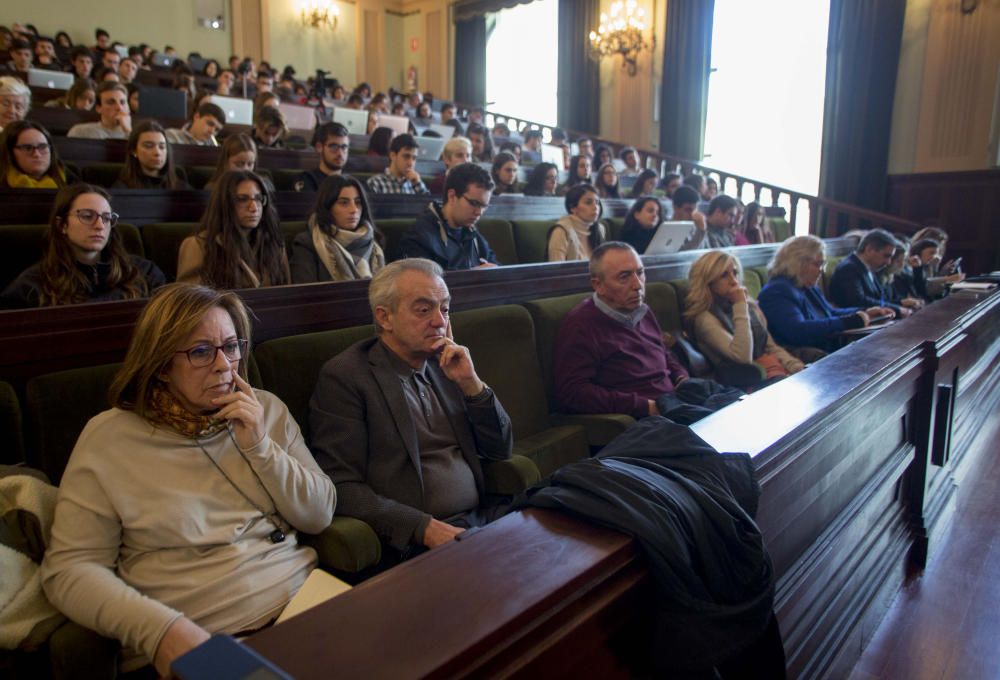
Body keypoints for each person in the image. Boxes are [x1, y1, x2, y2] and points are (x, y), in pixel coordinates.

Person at [40, 283, 335, 675]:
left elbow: (319, 515)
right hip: (206, 631)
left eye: (231, 346)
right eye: (200, 352)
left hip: (306, 602)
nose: (224, 365)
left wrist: (260, 447)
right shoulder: (108, 437)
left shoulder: (264, 408)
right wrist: (163, 631)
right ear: (162, 365)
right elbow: (70, 570)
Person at [309, 258, 512, 564]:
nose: (439, 321)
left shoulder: (447, 363)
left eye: (444, 308)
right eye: (424, 309)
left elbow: (500, 449)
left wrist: (472, 385)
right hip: (416, 542)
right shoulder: (347, 376)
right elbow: (341, 486)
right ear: (385, 317)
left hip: (483, 516)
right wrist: (422, 528)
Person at [554, 242, 742, 424]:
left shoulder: (642, 311)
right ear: (598, 285)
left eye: (640, 273)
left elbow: (663, 353)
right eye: (624, 277)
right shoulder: (581, 324)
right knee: (719, 425)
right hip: (647, 417)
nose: (637, 285)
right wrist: (644, 406)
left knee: (739, 403)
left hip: (675, 398)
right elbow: (573, 392)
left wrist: (680, 377)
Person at [1, 184, 165, 308]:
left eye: (106, 218)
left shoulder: (144, 272)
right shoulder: (30, 287)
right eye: (87, 216)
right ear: (62, 225)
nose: (100, 225)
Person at [757, 235, 891, 357]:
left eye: (823, 264)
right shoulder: (777, 291)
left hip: (823, 347)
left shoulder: (806, 285)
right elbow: (798, 331)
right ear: (798, 263)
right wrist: (849, 321)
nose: (821, 270)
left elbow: (830, 312)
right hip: (801, 355)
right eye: (818, 264)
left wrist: (863, 312)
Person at [685, 251, 804, 387]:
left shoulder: (745, 304)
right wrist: (740, 305)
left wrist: (794, 365)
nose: (734, 280)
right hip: (740, 384)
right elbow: (742, 357)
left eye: (734, 273)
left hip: (769, 372)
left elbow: (769, 346)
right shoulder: (704, 318)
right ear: (708, 282)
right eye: (724, 275)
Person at [177, 170, 290, 289]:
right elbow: (191, 303)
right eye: (242, 199)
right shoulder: (197, 246)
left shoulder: (275, 244)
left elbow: (288, 295)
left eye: (258, 198)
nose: (254, 208)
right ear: (224, 204)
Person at [399, 163, 498, 270]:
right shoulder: (419, 236)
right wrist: (471, 276)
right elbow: (423, 283)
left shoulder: (474, 234)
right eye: (473, 203)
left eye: (484, 206)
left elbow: (497, 270)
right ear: (452, 196)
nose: (479, 212)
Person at [292, 175, 385, 283]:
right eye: (344, 203)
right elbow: (305, 294)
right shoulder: (307, 243)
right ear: (327, 207)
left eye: (358, 202)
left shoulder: (373, 241)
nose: (354, 209)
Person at [828, 229, 915, 318]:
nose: (889, 262)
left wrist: (899, 304)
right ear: (869, 249)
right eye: (886, 256)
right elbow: (858, 301)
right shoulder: (849, 268)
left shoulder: (869, 266)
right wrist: (897, 309)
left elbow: (878, 299)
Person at [113, 121, 192, 190]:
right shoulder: (122, 189)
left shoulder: (181, 188)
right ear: (134, 151)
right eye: (148, 146)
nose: (157, 152)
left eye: (162, 147)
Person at [0, 120, 71, 189]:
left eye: (42, 147)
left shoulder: (70, 178)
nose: (37, 154)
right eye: (27, 148)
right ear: (9, 153)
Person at [547, 184, 606, 262]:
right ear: (573, 208)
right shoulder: (561, 231)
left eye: (597, 202)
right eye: (588, 203)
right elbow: (556, 270)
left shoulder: (600, 228)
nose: (595, 207)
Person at [293, 122, 350, 192]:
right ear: (319, 147)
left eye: (344, 147)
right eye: (333, 146)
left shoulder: (353, 182)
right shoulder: (307, 180)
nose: (340, 153)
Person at [67, 81, 131, 139]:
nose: (119, 107)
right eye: (111, 102)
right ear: (99, 108)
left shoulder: (137, 134)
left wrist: (128, 130)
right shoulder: (80, 132)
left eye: (123, 102)